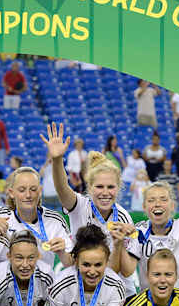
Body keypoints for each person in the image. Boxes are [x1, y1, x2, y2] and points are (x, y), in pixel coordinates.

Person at [45, 123, 136, 291]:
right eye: (99, 187)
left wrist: (119, 244)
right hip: (83, 286)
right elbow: (62, 188)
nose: (105, 193)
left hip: (117, 290)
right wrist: (57, 160)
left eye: (110, 187)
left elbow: (122, 270)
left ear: (118, 188)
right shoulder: (80, 205)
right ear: (89, 187)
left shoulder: (124, 217)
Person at [121, 173, 179, 297]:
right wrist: (119, 242)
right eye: (151, 200)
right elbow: (127, 271)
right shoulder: (139, 231)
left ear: (172, 206)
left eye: (163, 199)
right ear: (144, 207)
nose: (157, 204)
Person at [0, 166, 73, 268]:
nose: (28, 195)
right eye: (22, 190)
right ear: (11, 193)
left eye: (33, 189)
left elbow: (72, 264)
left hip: (44, 278)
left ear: (40, 191)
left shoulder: (55, 220)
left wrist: (62, 253)